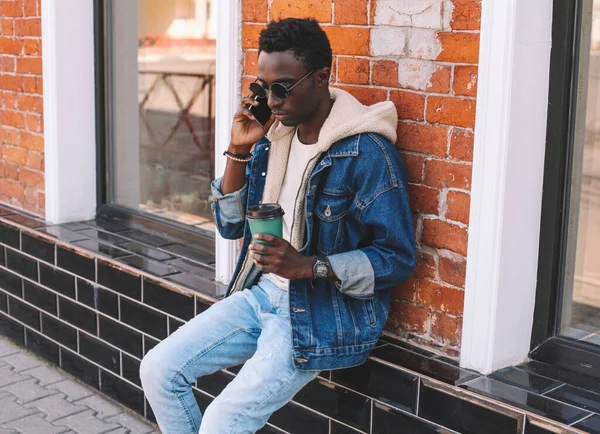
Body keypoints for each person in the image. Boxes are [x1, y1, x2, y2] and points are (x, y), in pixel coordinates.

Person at [140, 17, 416, 434]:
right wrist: (237, 150)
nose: (272, 100)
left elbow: (396, 258)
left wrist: (309, 266)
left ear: (322, 77)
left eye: (282, 88)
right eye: (263, 88)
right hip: (261, 293)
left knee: (221, 421)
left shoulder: (367, 153)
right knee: (158, 369)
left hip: (322, 310)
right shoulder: (273, 141)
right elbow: (231, 228)